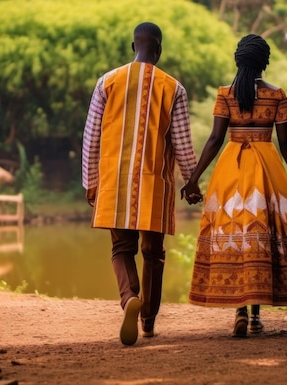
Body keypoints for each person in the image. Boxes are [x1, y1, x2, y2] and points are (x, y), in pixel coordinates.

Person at [181, 34, 287, 337]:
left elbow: (214, 140)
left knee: (237, 232)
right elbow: (286, 143)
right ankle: (256, 314)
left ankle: (240, 311)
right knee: (261, 231)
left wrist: (194, 178)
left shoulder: (225, 94)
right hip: (266, 166)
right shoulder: (277, 95)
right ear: (265, 63)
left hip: (231, 166)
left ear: (237, 61)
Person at [82, 22, 199, 346]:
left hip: (114, 180)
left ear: (134, 46)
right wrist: (191, 182)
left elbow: (92, 136)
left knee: (121, 250)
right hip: (154, 182)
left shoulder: (107, 82)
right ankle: (147, 320)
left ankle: (128, 298)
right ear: (158, 50)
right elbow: (182, 144)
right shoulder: (173, 88)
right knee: (153, 253)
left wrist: (90, 181)